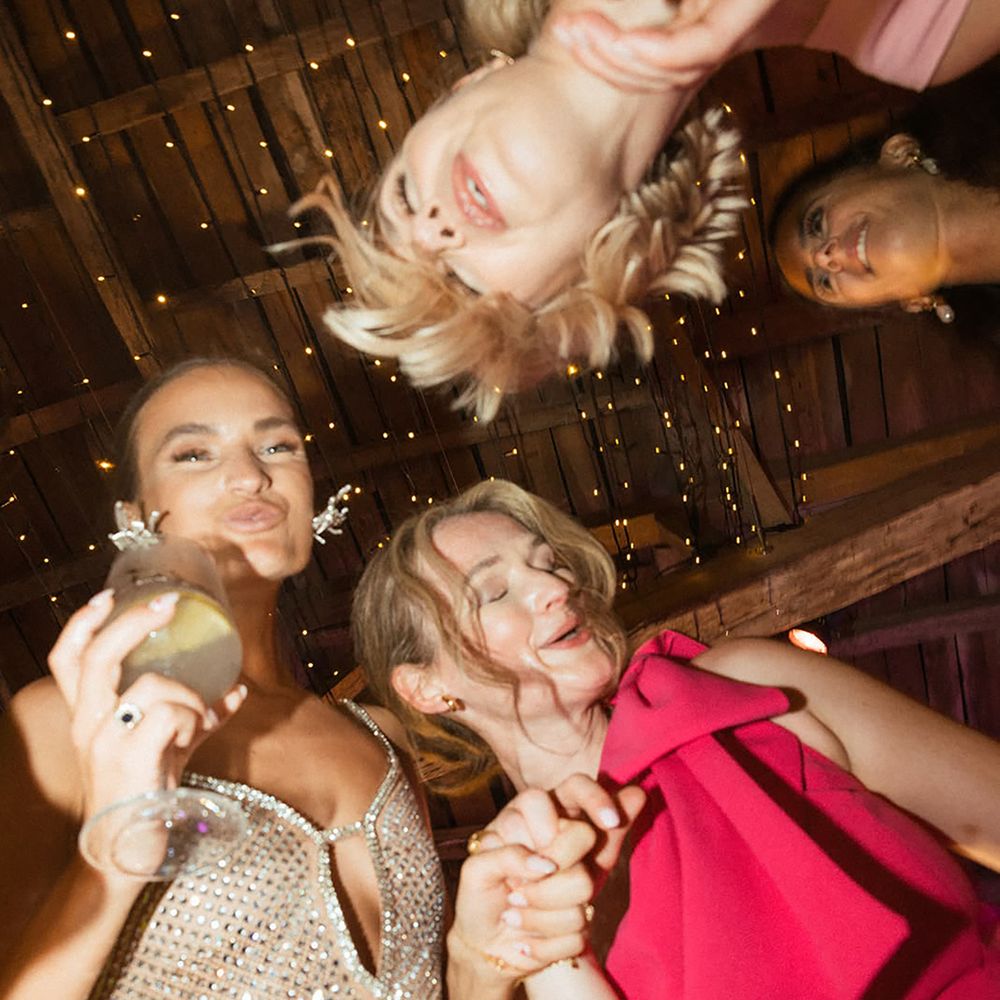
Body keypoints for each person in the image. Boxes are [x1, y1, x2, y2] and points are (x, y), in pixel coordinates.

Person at [0, 359, 632, 1000]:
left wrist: (482, 966)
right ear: (134, 513)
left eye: (278, 446)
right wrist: (112, 865)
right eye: (194, 453)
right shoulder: (65, 719)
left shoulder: (383, 738)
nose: (251, 475)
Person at [352, 477, 1000, 998]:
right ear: (428, 690)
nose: (555, 588)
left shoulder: (750, 692)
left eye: (548, 566)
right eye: (494, 592)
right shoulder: (516, 909)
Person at [291, 0, 999, 420]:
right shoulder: (923, 39)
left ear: (470, 83)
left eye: (403, 198)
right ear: (602, 259)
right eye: (461, 283)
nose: (429, 229)